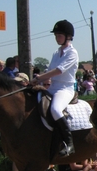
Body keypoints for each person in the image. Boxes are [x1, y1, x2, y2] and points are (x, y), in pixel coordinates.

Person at [31, 20, 78, 158]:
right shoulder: (56, 53)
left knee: (55, 109)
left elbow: (58, 71)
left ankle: (69, 143)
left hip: (65, 88)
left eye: (59, 35)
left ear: (68, 36)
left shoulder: (72, 53)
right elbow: (50, 69)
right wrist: (35, 79)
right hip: (52, 87)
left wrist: (40, 78)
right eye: (56, 35)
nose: (57, 38)